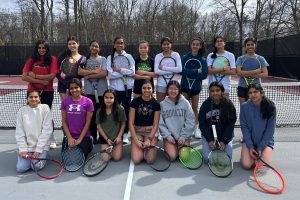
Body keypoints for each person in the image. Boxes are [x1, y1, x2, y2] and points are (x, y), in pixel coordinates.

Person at [22, 39, 59, 148]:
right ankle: (33, 139)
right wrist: (41, 81)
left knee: (46, 116)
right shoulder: (31, 60)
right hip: (32, 92)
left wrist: (35, 76)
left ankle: (51, 138)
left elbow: (52, 76)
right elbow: (24, 77)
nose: (41, 50)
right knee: (32, 116)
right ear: (36, 49)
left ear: (47, 49)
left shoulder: (52, 59)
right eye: (39, 48)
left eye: (44, 48)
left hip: (47, 92)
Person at [199, 81, 237, 164]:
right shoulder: (205, 105)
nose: (215, 93)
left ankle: (220, 148)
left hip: (224, 136)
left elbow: (230, 125)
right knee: (207, 159)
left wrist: (224, 141)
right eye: (212, 91)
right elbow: (202, 124)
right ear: (209, 93)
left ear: (222, 91)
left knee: (227, 159)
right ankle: (211, 147)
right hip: (210, 137)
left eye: (217, 90)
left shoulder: (229, 105)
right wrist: (209, 140)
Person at [15, 90, 53, 172]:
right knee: (20, 168)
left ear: (39, 98)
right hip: (28, 147)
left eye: (36, 97)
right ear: (27, 99)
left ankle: (45, 155)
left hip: (42, 146)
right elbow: (19, 131)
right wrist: (22, 149)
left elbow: (47, 130)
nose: (33, 99)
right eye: (31, 97)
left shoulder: (45, 108)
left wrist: (39, 149)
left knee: (36, 167)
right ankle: (32, 158)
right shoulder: (21, 111)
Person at [78, 40, 108, 144]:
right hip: (89, 92)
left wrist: (89, 75)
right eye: (92, 46)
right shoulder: (84, 59)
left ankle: (102, 136)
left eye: (96, 46)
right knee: (91, 114)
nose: (94, 48)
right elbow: (80, 71)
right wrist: (95, 71)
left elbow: (104, 73)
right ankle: (93, 136)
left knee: (101, 114)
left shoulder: (103, 59)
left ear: (99, 48)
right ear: (89, 47)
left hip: (102, 92)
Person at [106, 36, 135, 144]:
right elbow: (110, 75)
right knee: (115, 112)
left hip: (127, 89)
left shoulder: (129, 56)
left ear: (124, 45)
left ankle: (126, 134)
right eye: (118, 43)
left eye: (122, 43)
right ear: (114, 45)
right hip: (114, 90)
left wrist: (118, 70)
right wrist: (125, 71)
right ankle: (115, 133)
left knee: (126, 111)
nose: (120, 45)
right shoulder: (110, 57)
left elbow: (132, 72)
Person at [240, 84, 276, 169]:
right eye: (250, 92)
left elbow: (270, 131)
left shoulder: (270, 107)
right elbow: (244, 128)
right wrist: (250, 146)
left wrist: (260, 147)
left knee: (261, 167)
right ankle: (248, 154)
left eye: (255, 92)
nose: (253, 94)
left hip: (265, 143)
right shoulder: (244, 107)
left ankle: (259, 155)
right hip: (250, 142)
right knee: (246, 165)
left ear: (261, 93)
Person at [159, 80, 195, 161]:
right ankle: (169, 146)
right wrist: (168, 136)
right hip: (170, 138)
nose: (173, 91)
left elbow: (191, 121)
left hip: (183, 137)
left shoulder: (185, 103)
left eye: (175, 89)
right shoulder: (162, 104)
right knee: (171, 157)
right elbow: (160, 124)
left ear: (179, 90)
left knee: (184, 158)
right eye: (170, 89)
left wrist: (183, 137)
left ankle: (180, 147)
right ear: (167, 90)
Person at [180, 37, 208, 139]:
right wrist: (196, 71)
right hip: (184, 86)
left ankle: (196, 129)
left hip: (196, 87)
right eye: (193, 44)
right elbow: (182, 71)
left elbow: (204, 74)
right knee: (185, 109)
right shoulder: (185, 57)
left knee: (195, 108)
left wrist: (190, 72)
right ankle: (186, 129)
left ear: (200, 46)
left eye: (197, 44)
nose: (195, 46)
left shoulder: (202, 60)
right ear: (191, 45)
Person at [61, 78, 93, 159]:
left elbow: (88, 122)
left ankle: (89, 142)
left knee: (80, 158)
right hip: (70, 135)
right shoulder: (65, 102)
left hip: (83, 136)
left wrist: (80, 139)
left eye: (76, 87)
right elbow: (64, 122)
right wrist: (69, 138)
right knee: (69, 158)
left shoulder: (88, 101)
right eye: (71, 88)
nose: (74, 90)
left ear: (80, 88)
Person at [129, 80, 160, 164]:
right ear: (141, 89)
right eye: (144, 88)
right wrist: (136, 141)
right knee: (136, 160)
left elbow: (155, 124)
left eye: (149, 88)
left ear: (152, 89)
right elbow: (130, 123)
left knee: (150, 160)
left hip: (150, 132)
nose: (146, 90)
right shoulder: (134, 102)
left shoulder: (156, 104)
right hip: (137, 132)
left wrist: (149, 140)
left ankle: (147, 147)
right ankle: (138, 148)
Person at [236, 38, 269, 105]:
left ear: (255, 45)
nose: (250, 46)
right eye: (248, 45)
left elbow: (265, 74)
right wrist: (255, 71)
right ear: (245, 46)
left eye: (252, 44)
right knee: (243, 108)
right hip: (242, 87)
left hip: (256, 88)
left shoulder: (261, 58)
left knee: (256, 108)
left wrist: (246, 73)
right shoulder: (240, 58)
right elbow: (239, 73)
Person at [95, 89, 126, 161]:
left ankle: (116, 148)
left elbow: (123, 124)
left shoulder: (120, 109)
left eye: (111, 98)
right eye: (106, 97)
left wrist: (119, 137)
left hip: (116, 138)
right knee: (105, 159)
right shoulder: (99, 111)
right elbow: (99, 127)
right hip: (105, 138)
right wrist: (107, 139)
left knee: (117, 158)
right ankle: (110, 149)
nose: (108, 100)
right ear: (103, 98)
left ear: (115, 99)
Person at [154, 37, 182, 103]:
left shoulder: (176, 55)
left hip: (174, 84)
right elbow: (157, 71)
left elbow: (179, 69)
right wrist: (173, 70)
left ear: (171, 45)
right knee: (160, 105)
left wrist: (163, 68)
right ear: (161, 45)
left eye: (168, 44)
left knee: (174, 104)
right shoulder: (158, 56)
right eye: (164, 44)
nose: (166, 46)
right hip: (161, 84)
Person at [57, 36, 85, 100]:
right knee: (65, 106)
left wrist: (67, 77)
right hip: (63, 85)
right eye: (69, 44)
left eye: (74, 43)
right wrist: (64, 82)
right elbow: (57, 71)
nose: (72, 45)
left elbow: (81, 75)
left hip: (76, 86)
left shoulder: (83, 58)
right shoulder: (63, 56)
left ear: (78, 44)